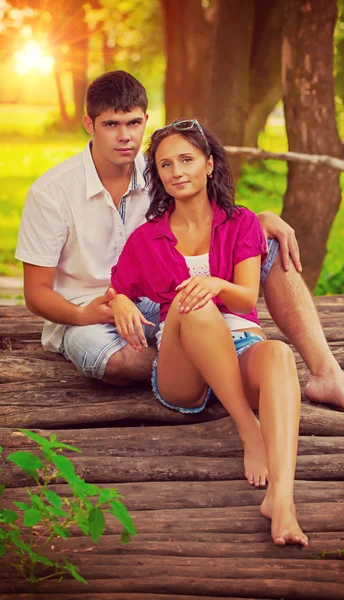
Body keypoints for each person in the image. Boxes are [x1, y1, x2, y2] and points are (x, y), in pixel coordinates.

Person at [16, 70, 344, 418]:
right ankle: (233, 368)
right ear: (89, 125)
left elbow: (213, 219)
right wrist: (84, 315)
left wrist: (258, 219)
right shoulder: (52, 193)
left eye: (133, 123)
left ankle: (326, 372)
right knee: (115, 362)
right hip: (90, 314)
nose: (125, 136)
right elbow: (36, 293)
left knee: (269, 243)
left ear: (145, 120)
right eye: (111, 124)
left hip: (163, 300)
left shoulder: (163, 169)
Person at [109, 119, 308, 546]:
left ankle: (282, 501)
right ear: (157, 175)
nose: (177, 172)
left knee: (277, 353)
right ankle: (248, 430)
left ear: (209, 164)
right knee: (191, 302)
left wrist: (218, 284)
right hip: (184, 366)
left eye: (186, 159)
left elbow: (245, 298)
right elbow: (114, 290)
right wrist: (119, 300)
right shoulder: (146, 239)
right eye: (165, 165)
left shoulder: (242, 223)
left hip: (238, 343)